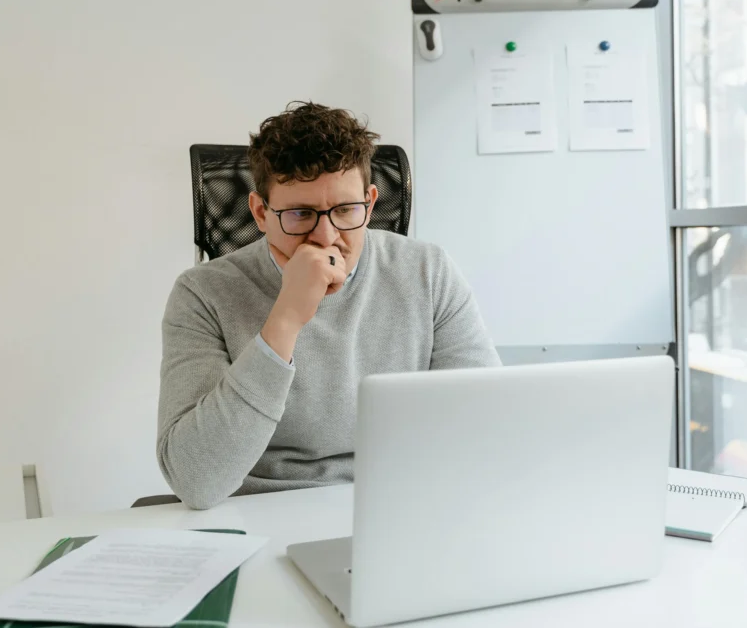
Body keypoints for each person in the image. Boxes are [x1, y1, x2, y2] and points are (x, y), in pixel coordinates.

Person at [158, 101, 499, 509]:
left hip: (395, 506)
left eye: (345, 210)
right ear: (260, 213)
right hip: (259, 512)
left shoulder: (428, 272)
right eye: (301, 213)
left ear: (371, 204)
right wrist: (285, 319)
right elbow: (195, 480)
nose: (325, 236)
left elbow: (486, 428)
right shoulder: (202, 293)